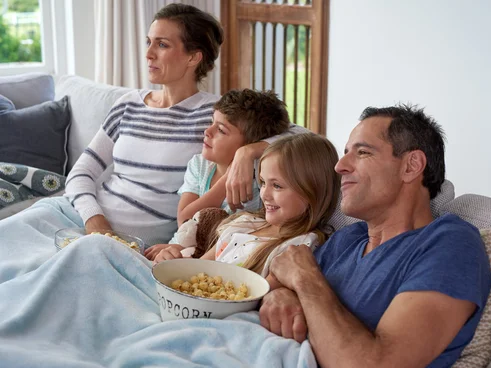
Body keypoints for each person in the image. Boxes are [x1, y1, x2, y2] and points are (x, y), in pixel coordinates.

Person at [259, 104, 491, 368]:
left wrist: (305, 280)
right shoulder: (348, 238)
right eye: (345, 152)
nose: (339, 166)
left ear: (411, 166)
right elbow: (281, 273)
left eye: (362, 152)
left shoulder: (450, 245)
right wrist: (281, 294)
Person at [63, 3, 281, 246]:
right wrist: (95, 221)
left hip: (127, 243)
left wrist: (247, 151)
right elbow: (81, 173)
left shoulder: (214, 115)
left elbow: (294, 136)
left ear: (193, 57)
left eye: (162, 44)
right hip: (77, 219)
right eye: (149, 42)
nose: (148, 54)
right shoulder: (128, 105)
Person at [153, 134, 341, 281]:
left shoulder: (300, 248)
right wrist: (173, 262)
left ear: (312, 191)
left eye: (277, 185)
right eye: (263, 183)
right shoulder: (243, 223)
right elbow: (197, 272)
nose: (265, 194)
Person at [144, 88, 291, 261]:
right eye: (211, 122)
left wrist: (248, 154)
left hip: (219, 260)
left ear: (253, 143)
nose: (208, 131)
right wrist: (226, 181)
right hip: (177, 248)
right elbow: (184, 219)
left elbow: (301, 140)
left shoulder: (260, 178)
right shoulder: (199, 165)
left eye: (221, 130)